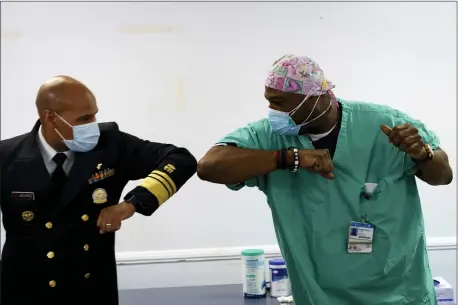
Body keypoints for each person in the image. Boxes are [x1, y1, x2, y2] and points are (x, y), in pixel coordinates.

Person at [197, 54, 453, 305]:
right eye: (269, 102)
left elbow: (443, 176)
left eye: (279, 103)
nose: (272, 112)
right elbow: (209, 166)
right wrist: (291, 158)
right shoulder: (270, 137)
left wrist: (422, 154)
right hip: (319, 294)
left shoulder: (384, 125)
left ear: (317, 99)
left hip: (400, 293)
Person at [0, 75, 197, 305]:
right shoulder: (7, 157)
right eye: (84, 118)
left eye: (94, 115)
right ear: (50, 118)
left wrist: (131, 204)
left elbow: (181, 160)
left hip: (91, 289)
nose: (93, 125)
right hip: (26, 291)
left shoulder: (110, 145)